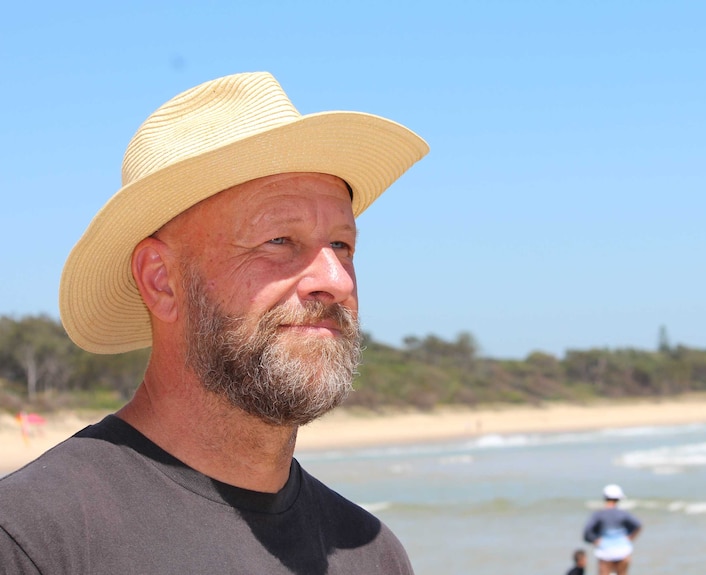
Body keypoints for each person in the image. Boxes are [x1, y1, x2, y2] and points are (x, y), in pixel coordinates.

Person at [0, 71, 428, 574]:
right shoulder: (36, 542)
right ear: (161, 280)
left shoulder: (371, 554)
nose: (335, 280)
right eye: (279, 240)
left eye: (341, 245)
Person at [582, 484, 642, 575]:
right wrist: (630, 538)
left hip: (605, 551)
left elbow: (587, 531)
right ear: (618, 499)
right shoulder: (623, 513)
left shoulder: (599, 514)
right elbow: (638, 525)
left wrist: (595, 540)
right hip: (623, 550)